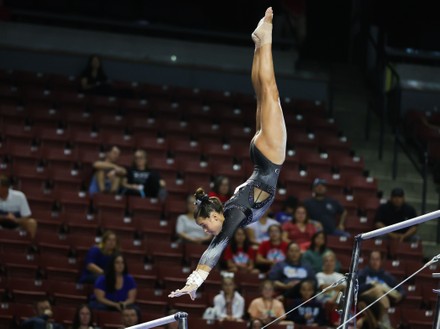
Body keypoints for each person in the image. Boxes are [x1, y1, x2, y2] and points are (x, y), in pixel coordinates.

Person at [168, 7, 287, 300]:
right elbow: (215, 243)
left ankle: (265, 39)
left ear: (216, 214)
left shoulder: (231, 215)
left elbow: (215, 249)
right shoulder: (230, 212)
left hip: (269, 159)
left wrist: (194, 282)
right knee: (263, 93)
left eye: (204, 224)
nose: (206, 230)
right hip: (262, 158)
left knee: (269, 91)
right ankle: (260, 41)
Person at [357, 250, 404, 325]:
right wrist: (371, 285)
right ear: (369, 260)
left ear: (381, 261)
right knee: (378, 289)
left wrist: (401, 294)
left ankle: (379, 321)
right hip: (364, 299)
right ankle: (384, 320)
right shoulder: (362, 274)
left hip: (379, 302)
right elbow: (356, 290)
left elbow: (401, 290)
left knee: (380, 291)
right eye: (373, 259)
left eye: (377, 259)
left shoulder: (386, 276)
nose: (375, 262)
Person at [0, 175, 38, 240]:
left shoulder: (19, 196)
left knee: (32, 223)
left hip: (17, 222)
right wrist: (5, 217)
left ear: (5, 187)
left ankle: (31, 245)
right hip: (1, 221)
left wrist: (15, 220)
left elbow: (26, 216)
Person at [315, 251, 346, 326]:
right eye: (326, 261)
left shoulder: (339, 276)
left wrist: (329, 288)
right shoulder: (319, 275)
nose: (329, 263)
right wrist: (338, 287)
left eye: (331, 261)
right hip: (322, 299)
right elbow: (322, 287)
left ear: (335, 263)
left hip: (336, 299)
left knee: (342, 294)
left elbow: (344, 287)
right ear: (323, 263)